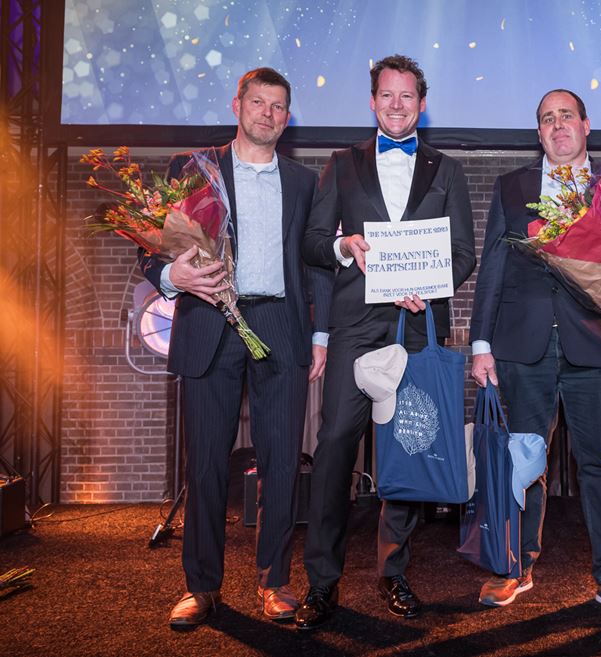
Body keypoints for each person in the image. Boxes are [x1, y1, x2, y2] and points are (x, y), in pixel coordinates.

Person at [138, 67, 331, 627]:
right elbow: (150, 247)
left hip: (280, 323)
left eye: (278, 107)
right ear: (237, 105)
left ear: (287, 118)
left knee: (281, 465)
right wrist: (173, 275)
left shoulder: (303, 181)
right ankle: (201, 587)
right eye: (258, 102)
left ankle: (275, 582)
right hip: (207, 323)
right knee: (205, 469)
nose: (267, 114)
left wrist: (319, 334)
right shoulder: (192, 169)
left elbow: (315, 261)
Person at [296, 54, 476, 629]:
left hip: (417, 325)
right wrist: (344, 247)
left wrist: (425, 285)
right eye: (387, 95)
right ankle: (322, 582)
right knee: (335, 447)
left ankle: (394, 574)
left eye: (407, 96)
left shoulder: (446, 169)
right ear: (372, 102)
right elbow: (313, 242)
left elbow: (464, 252)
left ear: (421, 104)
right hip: (355, 324)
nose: (397, 104)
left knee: (408, 447)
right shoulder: (341, 164)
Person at [469, 89, 601, 620]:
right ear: (539, 133)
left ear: (586, 125)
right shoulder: (513, 188)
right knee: (522, 461)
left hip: (594, 345)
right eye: (547, 119)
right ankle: (514, 566)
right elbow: (493, 268)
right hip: (520, 346)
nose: (558, 126)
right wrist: (480, 343)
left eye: (566, 117)